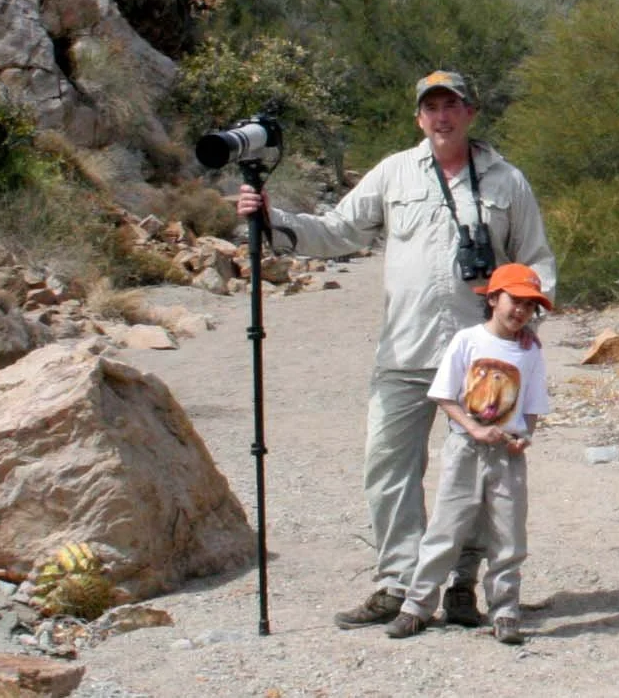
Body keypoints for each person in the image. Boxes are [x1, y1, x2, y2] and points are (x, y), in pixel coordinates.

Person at [234, 69, 556, 631]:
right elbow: (339, 231)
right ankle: (399, 584)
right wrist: (270, 218)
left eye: (451, 105)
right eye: (431, 107)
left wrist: (529, 319)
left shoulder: (507, 181)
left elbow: (535, 259)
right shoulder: (393, 172)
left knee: (478, 473)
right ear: (419, 118)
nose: (441, 117)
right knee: (387, 466)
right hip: (405, 348)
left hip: (481, 356)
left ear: (470, 112)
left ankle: (461, 584)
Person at [385, 262, 551, 643]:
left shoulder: (530, 352)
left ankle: (504, 611)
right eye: (515, 301)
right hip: (465, 447)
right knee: (446, 528)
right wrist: (473, 427)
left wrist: (524, 435)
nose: (521, 311)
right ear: (493, 298)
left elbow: (532, 404)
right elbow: (444, 394)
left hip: (507, 453)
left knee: (508, 534)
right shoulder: (467, 340)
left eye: (530, 305)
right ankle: (417, 606)